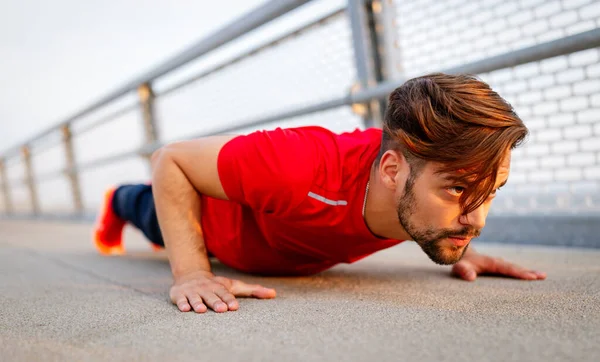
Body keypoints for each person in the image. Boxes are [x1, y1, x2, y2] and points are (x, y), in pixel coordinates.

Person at [92, 73, 547, 314]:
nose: (479, 218)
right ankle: (116, 200)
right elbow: (171, 159)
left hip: (280, 251)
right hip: (210, 223)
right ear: (391, 171)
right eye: (459, 190)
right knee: (141, 204)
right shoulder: (298, 164)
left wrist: (451, 242)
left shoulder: (423, 188)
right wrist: (190, 273)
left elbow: (438, 201)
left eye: (490, 193)